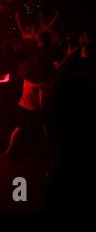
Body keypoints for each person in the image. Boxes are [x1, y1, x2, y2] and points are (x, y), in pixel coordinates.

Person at [43, 30, 96, 210]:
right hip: (75, 130)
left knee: (61, 171)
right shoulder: (77, 70)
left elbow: (53, 91)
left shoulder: (70, 73)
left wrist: (46, 121)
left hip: (67, 129)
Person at [6, 36, 56, 161]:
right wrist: (43, 113)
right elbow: (41, 102)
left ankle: (10, 150)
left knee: (19, 130)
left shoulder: (27, 78)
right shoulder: (42, 84)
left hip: (22, 107)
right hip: (32, 111)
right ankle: (31, 153)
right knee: (35, 132)